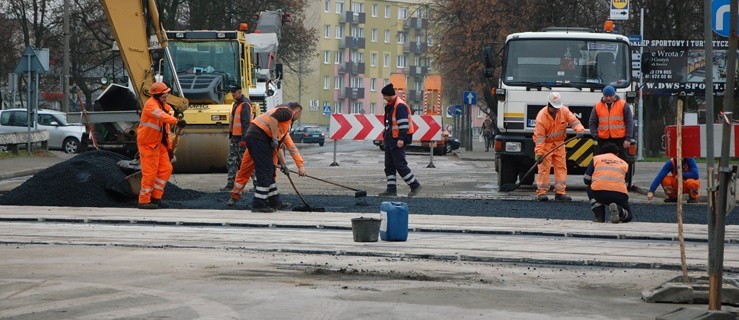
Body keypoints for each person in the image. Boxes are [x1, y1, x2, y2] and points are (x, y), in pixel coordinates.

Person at [244, 102, 306, 212]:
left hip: (256, 137)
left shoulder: (281, 125)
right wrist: (273, 138)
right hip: (258, 138)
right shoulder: (288, 112)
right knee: (265, 171)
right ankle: (258, 204)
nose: (297, 118)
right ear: (298, 112)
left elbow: (278, 148)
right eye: (299, 115)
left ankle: (275, 202)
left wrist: (283, 164)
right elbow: (273, 118)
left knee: (270, 170)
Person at [227, 120, 305, 207]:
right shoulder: (270, 127)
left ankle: (271, 199)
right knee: (245, 171)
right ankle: (235, 196)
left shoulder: (283, 132)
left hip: (267, 152)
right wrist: (283, 164)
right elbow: (278, 148)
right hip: (256, 148)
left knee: (270, 176)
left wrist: (299, 166)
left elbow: (291, 148)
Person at [137, 81, 187, 209]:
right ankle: (144, 200)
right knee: (150, 173)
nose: (166, 97)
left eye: (167, 94)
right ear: (157, 95)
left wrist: (169, 148)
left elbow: (166, 131)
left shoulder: (165, 107)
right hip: (148, 144)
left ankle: (156, 197)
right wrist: (177, 121)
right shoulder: (150, 106)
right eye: (164, 95)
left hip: (160, 144)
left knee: (166, 169)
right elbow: (162, 117)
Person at [533, 92, 586, 202]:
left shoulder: (564, 111)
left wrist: (580, 130)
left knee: (561, 168)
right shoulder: (541, 117)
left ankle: (560, 193)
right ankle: (541, 193)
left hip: (559, 144)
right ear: (549, 105)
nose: (557, 110)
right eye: (554, 108)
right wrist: (539, 153)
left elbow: (574, 121)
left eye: (558, 108)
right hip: (545, 145)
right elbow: (540, 138)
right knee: (544, 169)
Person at [377, 83, 422, 197]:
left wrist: (401, 139)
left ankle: (415, 185)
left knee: (400, 165)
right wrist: (385, 137)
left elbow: (403, 125)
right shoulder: (390, 105)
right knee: (389, 166)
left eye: (384, 95)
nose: (383, 98)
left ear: (388, 95)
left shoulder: (399, 106)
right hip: (390, 139)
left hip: (397, 140)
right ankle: (391, 189)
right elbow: (389, 124)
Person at [583, 142, 632, 223]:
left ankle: (599, 217)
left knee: (589, 188)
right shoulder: (624, 163)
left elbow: (586, 179)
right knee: (629, 216)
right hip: (620, 195)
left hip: (599, 194)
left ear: (602, 152)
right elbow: (627, 185)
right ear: (617, 153)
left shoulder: (596, 159)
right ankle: (619, 211)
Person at [588, 85, 634, 159]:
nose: (608, 98)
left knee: (621, 161)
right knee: (603, 161)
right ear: (603, 96)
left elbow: (629, 122)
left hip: (620, 140)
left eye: (610, 96)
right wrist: (596, 136)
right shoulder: (597, 106)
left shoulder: (623, 105)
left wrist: (628, 139)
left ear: (614, 95)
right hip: (603, 140)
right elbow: (592, 123)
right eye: (606, 96)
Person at [222, 85, 252, 191]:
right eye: (232, 92)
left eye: (234, 92)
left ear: (239, 92)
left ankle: (258, 183)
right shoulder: (236, 104)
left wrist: (244, 139)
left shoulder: (245, 104)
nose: (233, 94)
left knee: (246, 162)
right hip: (235, 137)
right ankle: (230, 184)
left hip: (241, 138)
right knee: (232, 160)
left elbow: (246, 123)